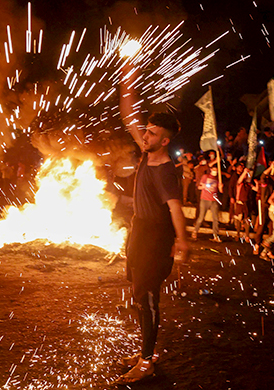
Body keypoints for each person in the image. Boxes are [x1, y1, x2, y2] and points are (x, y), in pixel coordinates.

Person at [117, 68, 189, 385]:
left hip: (156, 239)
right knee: (137, 295)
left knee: (146, 298)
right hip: (139, 233)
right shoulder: (148, 153)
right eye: (145, 131)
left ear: (165, 140)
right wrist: (128, 81)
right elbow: (128, 115)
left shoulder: (165, 170)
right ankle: (146, 352)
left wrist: (183, 242)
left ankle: (146, 362)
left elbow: (175, 208)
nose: (144, 136)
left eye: (151, 133)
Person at [192, 164, 223, 242]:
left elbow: (221, 191)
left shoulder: (218, 179)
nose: (215, 172)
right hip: (205, 199)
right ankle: (195, 231)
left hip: (214, 200)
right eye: (214, 170)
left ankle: (215, 235)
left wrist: (221, 187)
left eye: (216, 170)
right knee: (201, 217)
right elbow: (199, 187)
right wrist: (204, 186)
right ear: (211, 170)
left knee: (216, 219)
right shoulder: (205, 177)